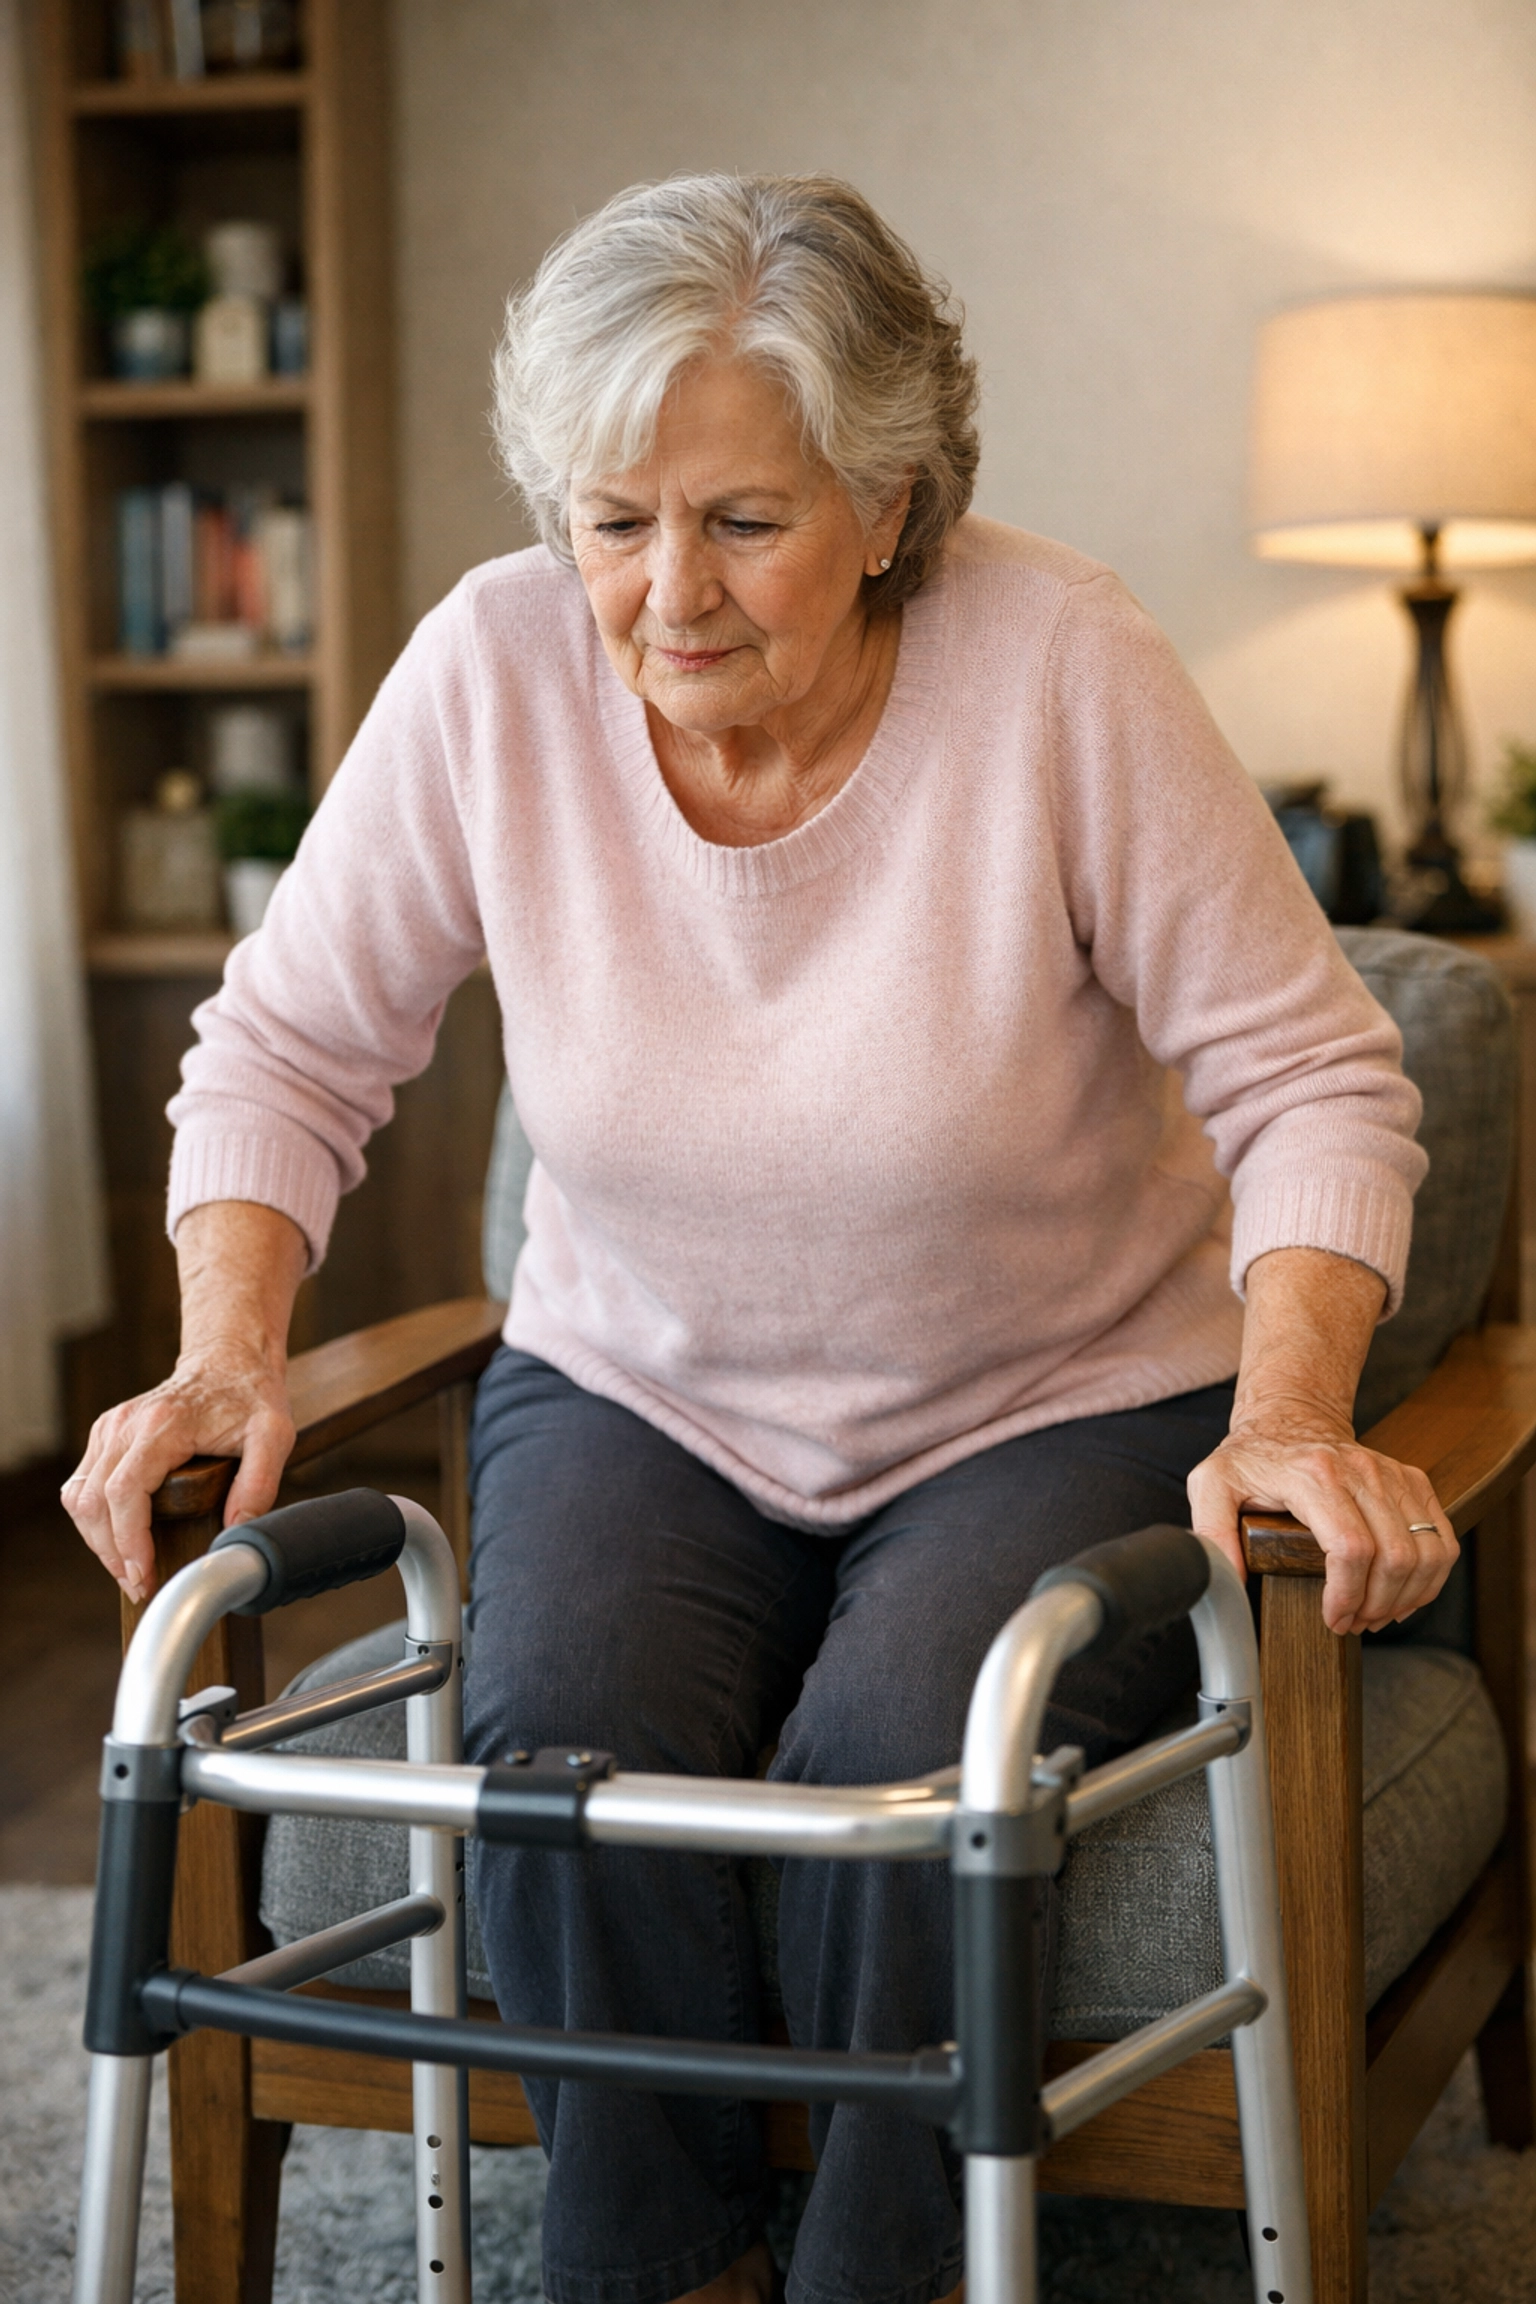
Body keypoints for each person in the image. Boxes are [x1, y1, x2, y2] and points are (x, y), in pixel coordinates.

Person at [64, 175, 1454, 2304]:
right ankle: (663, 2266)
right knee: (554, 1750)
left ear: (889, 505)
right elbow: (286, 1048)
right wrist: (228, 1348)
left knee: (906, 1766)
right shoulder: (493, 672)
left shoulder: (1061, 664)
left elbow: (1315, 1080)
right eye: (614, 520)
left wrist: (1290, 1411)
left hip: (1053, 1391)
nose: (667, 592)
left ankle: (880, 2275)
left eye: (742, 520)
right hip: (642, 1386)